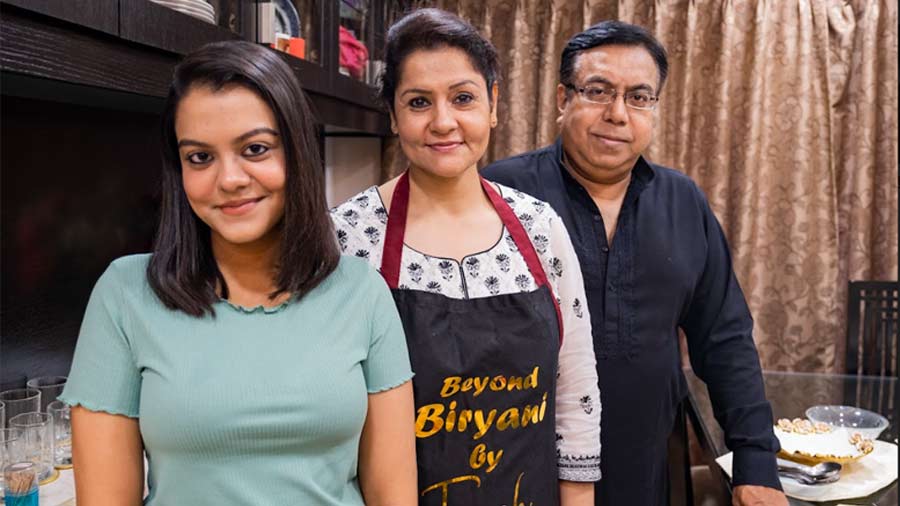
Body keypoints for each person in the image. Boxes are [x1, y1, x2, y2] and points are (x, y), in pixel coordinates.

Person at [59, 40, 417, 506]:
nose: (229, 179)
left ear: (297, 154)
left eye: (255, 148)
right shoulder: (125, 294)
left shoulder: (361, 292)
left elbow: (393, 495)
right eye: (200, 157)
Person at [483, 20, 788, 506]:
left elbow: (724, 338)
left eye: (639, 97)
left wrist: (756, 462)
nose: (618, 114)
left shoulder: (683, 201)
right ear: (563, 99)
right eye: (598, 91)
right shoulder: (500, 195)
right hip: (517, 468)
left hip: (645, 468)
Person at [331, 9, 601, 506]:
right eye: (418, 102)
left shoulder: (540, 228)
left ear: (493, 104)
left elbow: (576, 388)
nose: (443, 121)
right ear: (392, 114)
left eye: (463, 98)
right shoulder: (347, 236)